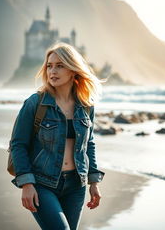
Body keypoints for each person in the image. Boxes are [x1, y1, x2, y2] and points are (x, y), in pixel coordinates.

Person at [10, 42, 106, 230]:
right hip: (42, 183)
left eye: (60, 65)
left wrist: (93, 181)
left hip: (77, 185)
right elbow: (18, 144)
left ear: (73, 70)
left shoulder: (86, 105)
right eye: (49, 66)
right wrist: (26, 184)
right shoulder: (35, 103)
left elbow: (89, 144)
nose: (52, 71)